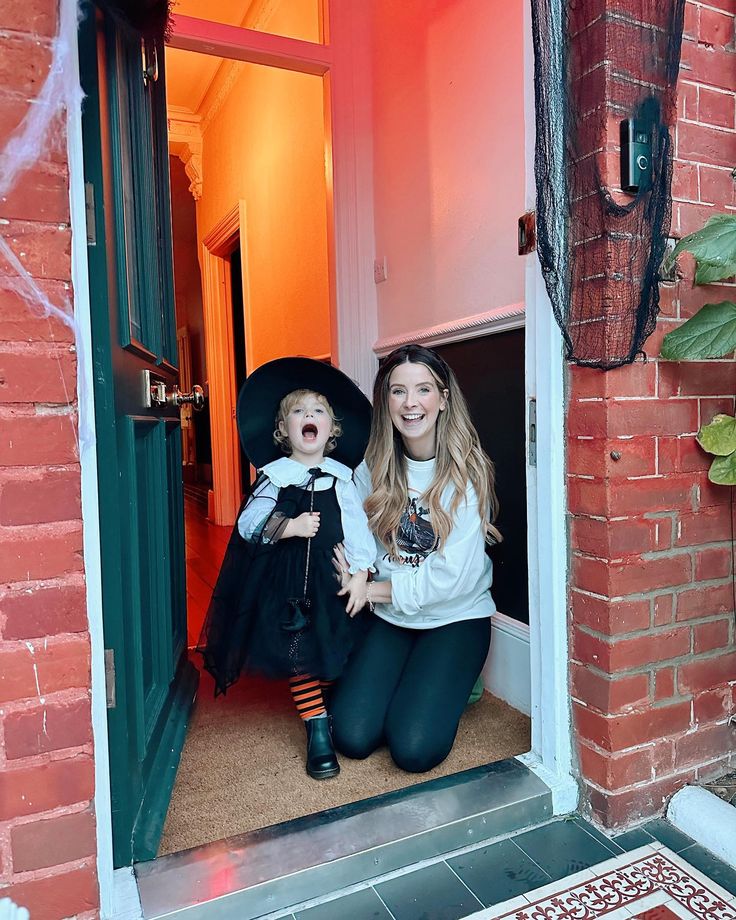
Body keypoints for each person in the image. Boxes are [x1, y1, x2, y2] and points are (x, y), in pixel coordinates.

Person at [197, 357, 375, 780]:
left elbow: (358, 528)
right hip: (289, 584)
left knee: (334, 646)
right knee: (300, 654)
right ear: (284, 429)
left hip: (334, 579)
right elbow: (249, 523)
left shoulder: (341, 478)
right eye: (298, 411)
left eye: (318, 411)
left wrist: (362, 569)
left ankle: (329, 710)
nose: (308, 417)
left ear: (332, 429)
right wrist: (289, 526)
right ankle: (316, 727)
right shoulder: (275, 477)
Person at [330, 344, 501, 773]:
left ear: (443, 399)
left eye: (423, 390)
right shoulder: (373, 466)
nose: (410, 404)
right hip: (393, 616)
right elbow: (360, 536)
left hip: (455, 617)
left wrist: (370, 590)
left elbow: (450, 579)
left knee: (413, 749)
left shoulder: (467, 472)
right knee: (351, 735)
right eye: (398, 391)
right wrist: (357, 569)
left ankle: (460, 679)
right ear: (385, 401)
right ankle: (415, 678)